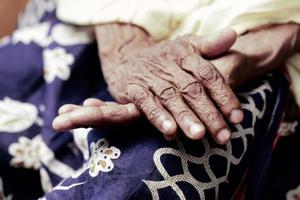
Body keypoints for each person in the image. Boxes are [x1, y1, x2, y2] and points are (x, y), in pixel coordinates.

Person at [0, 0, 299, 199]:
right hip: (94, 18)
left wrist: (266, 46)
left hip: (267, 50)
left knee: (153, 170)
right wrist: (123, 44)